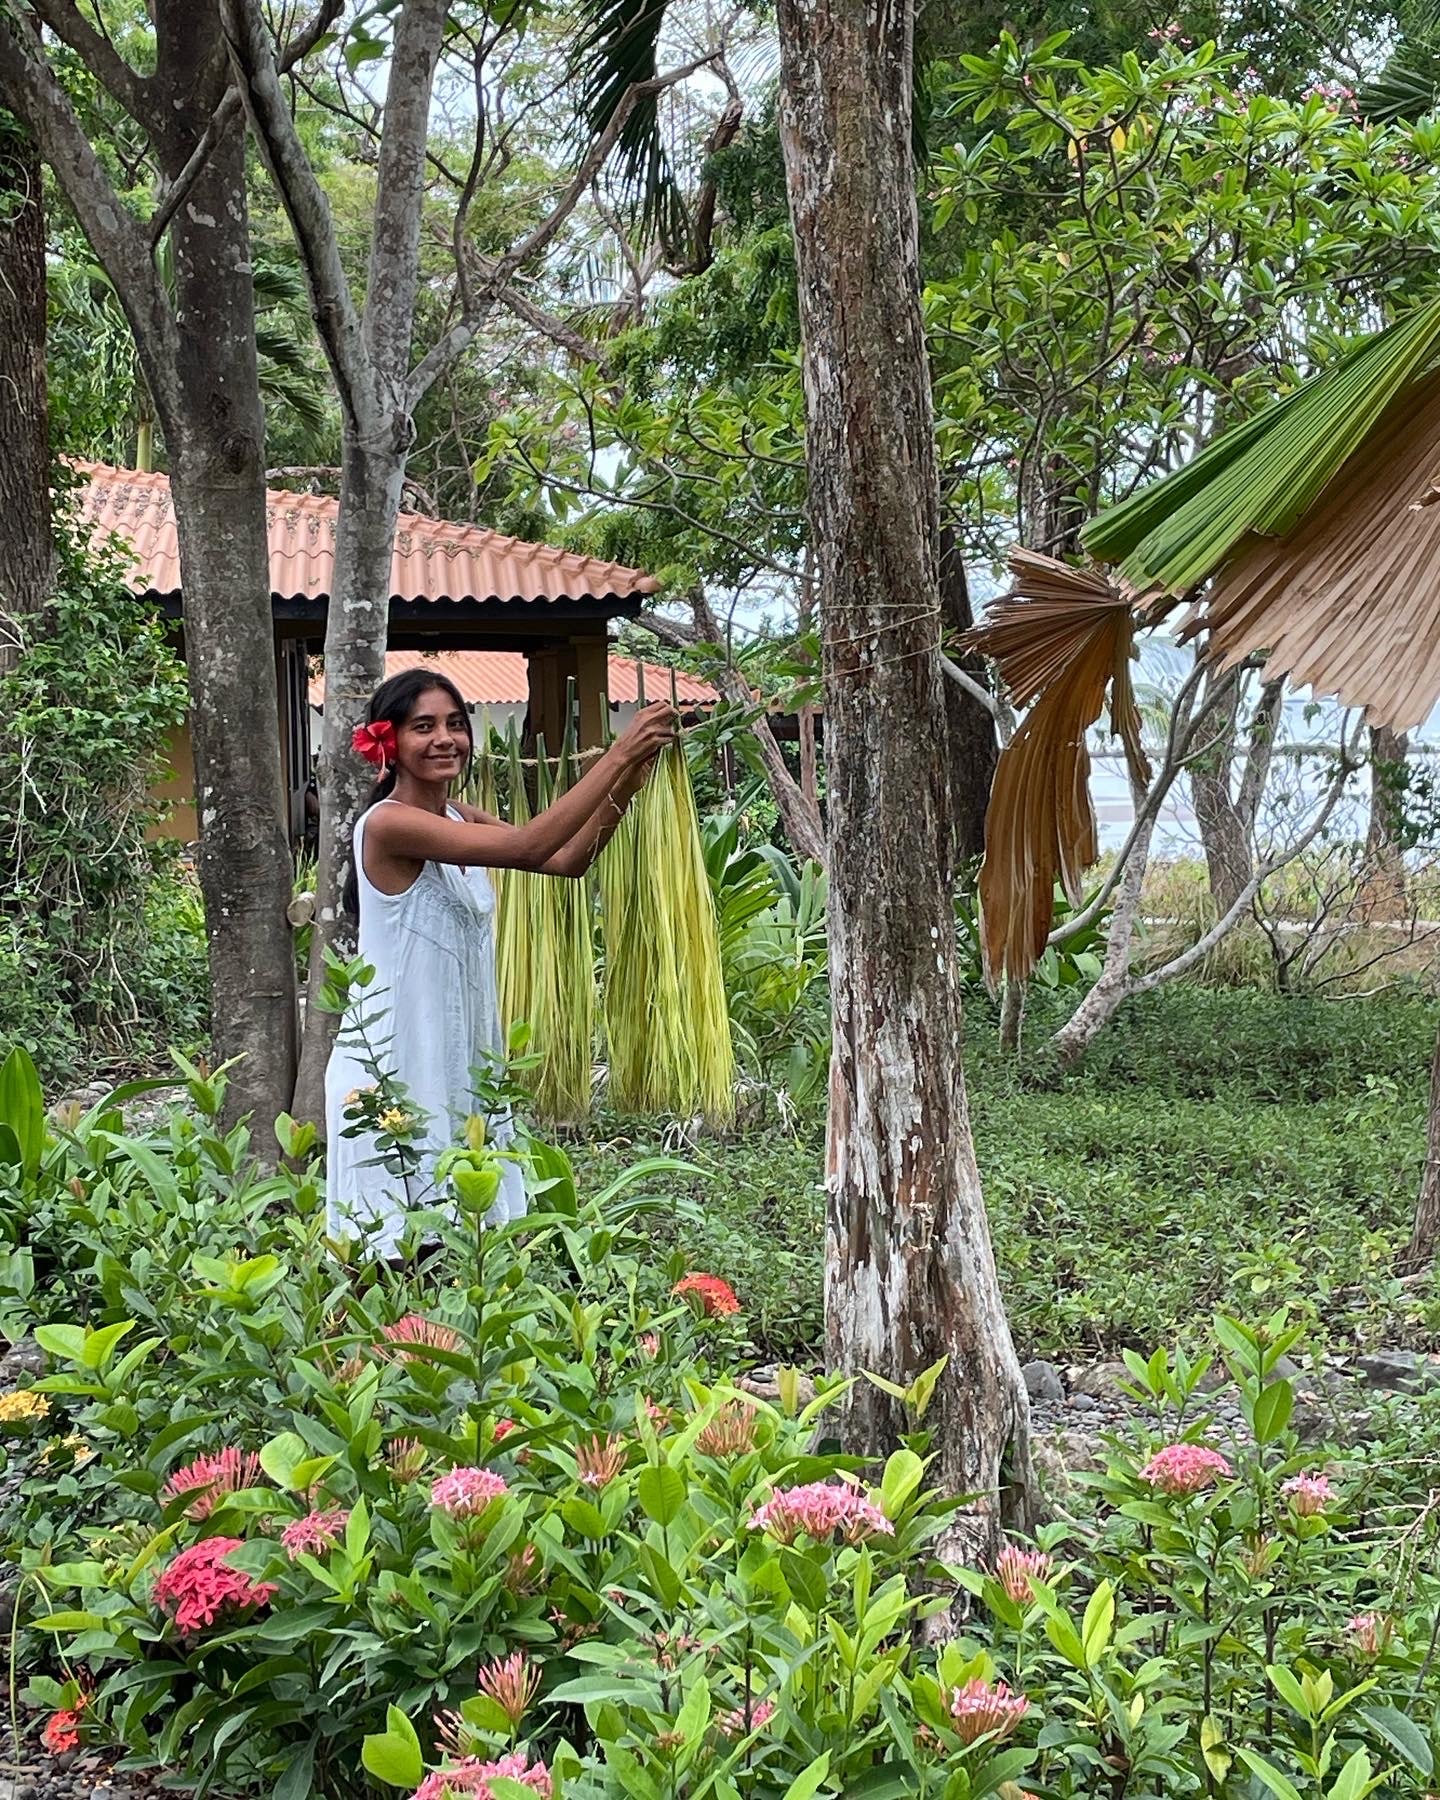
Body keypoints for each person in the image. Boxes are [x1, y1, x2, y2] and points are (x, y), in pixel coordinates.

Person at [323, 668, 677, 1259]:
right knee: (392, 1252)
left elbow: (565, 860)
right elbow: (528, 846)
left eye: (456, 725)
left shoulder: (460, 817)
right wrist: (617, 753)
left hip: (457, 1058)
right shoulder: (386, 824)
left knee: (464, 1248)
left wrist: (632, 779)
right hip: (397, 1062)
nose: (445, 739)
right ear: (389, 742)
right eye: (424, 727)